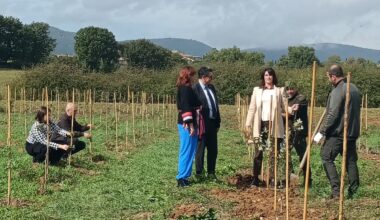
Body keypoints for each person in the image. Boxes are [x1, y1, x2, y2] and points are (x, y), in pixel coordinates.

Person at [314, 64, 361, 199]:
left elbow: (332, 114)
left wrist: (321, 132)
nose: (329, 79)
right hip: (352, 133)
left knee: (326, 156)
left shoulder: (338, 91)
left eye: (329, 77)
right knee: (350, 161)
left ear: (333, 77)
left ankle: (336, 192)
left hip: (338, 133)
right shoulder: (354, 88)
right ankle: (354, 191)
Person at [245, 67, 286, 187]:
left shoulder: (279, 91)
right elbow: (252, 108)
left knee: (274, 152)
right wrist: (248, 123)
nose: (268, 77)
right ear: (263, 77)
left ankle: (273, 178)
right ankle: (255, 178)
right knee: (259, 152)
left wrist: (291, 109)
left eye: (270, 75)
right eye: (266, 75)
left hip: (274, 125)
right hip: (261, 124)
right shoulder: (257, 90)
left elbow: (284, 106)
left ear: (274, 77)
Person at [176, 66, 202, 187]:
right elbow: (186, 107)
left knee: (190, 150)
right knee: (186, 150)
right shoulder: (185, 89)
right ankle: (181, 177)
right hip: (186, 123)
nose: (193, 77)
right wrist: (191, 125)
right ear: (187, 75)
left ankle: (185, 176)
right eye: (192, 75)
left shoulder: (185, 88)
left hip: (189, 122)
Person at [193, 67, 221, 181]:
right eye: (210, 76)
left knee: (213, 149)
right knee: (200, 148)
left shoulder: (211, 87)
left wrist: (218, 121)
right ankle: (199, 173)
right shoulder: (195, 88)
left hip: (212, 122)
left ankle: (211, 172)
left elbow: (215, 104)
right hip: (201, 123)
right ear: (204, 77)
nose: (211, 79)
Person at [284, 83, 312, 187]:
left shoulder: (301, 98)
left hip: (299, 131)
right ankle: (289, 176)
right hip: (288, 130)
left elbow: (298, 105)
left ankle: (308, 179)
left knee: (303, 155)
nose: (290, 91)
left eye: (292, 89)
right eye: (288, 89)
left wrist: (291, 108)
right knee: (285, 153)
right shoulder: (286, 99)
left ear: (296, 89)